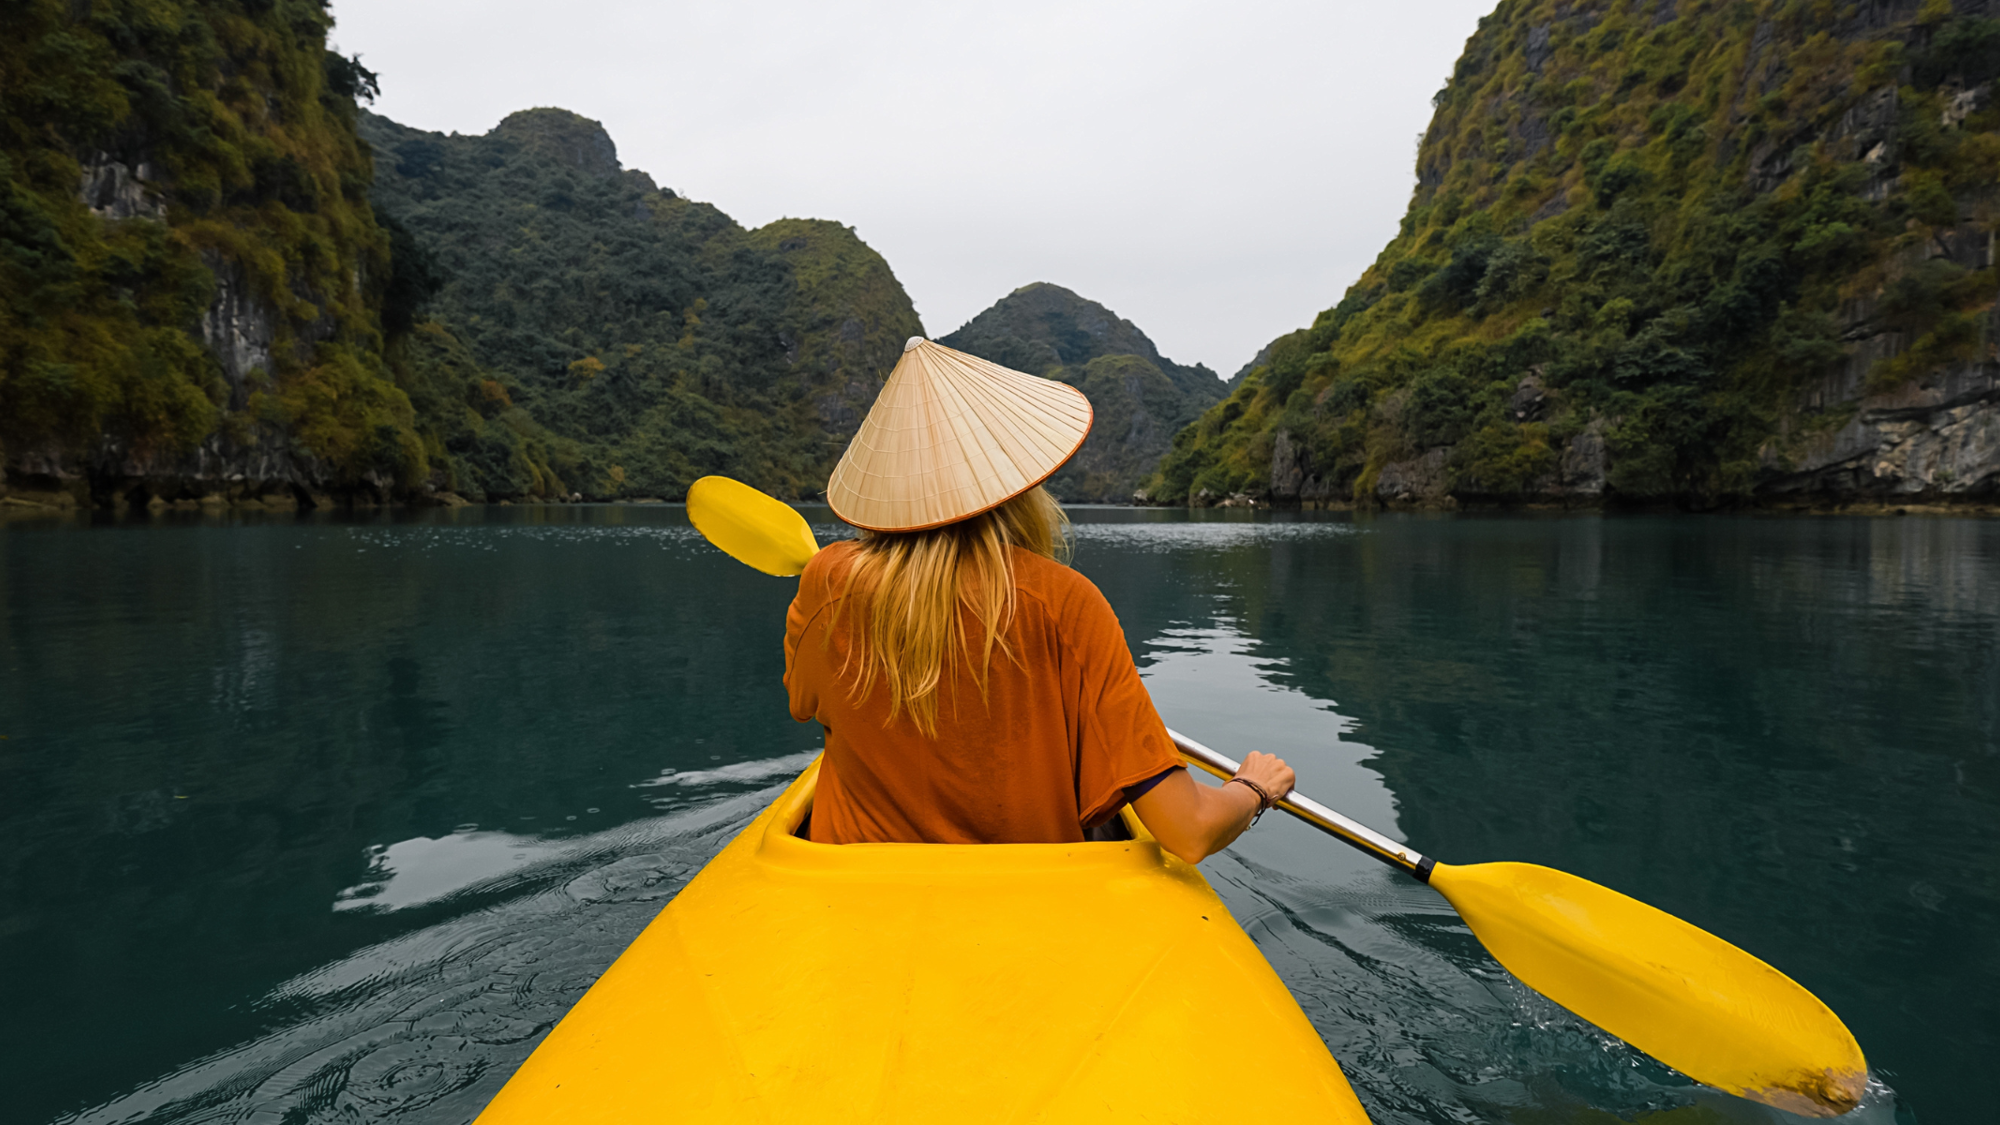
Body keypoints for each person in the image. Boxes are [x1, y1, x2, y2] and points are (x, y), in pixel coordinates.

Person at [785, 338, 1294, 864]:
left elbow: (803, 704)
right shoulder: (1066, 604)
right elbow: (1189, 831)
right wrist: (1253, 787)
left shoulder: (826, 581)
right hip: (1031, 901)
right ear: (1018, 480)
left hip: (852, 894)